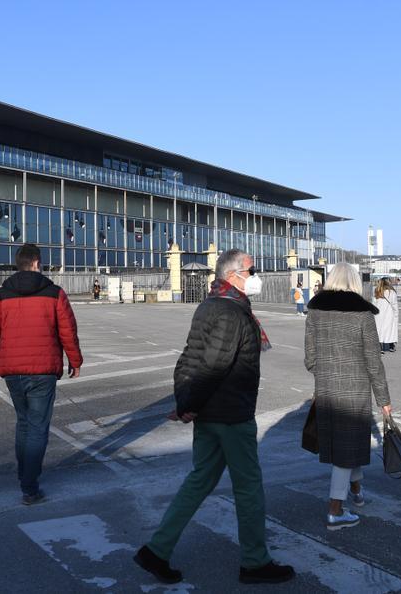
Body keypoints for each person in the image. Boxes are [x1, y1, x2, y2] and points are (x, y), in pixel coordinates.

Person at [134, 249, 294, 586]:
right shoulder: (231, 312)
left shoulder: (211, 304)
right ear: (233, 275)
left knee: (200, 480)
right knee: (248, 487)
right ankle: (254, 561)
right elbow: (213, 365)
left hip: (211, 412)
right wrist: (188, 404)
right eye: (251, 270)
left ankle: (156, 550)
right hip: (230, 414)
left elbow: (188, 359)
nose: (255, 276)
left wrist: (187, 400)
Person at [0, 243, 83, 505]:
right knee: (38, 427)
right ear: (37, 263)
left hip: (13, 372)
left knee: (24, 423)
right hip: (43, 371)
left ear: (19, 264)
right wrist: (75, 361)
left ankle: (23, 474)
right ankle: (29, 486)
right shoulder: (55, 293)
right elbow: (68, 332)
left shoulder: (1, 295)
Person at [305, 263, 392, 530]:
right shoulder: (363, 314)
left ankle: (356, 490)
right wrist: (384, 400)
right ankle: (335, 510)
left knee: (345, 446)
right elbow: (373, 363)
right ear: (355, 283)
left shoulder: (315, 312)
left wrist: (328, 374)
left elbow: (310, 360)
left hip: (327, 389)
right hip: (355, 391)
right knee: (345, 451)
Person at [373, 277, 399, 352]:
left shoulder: (377, 291)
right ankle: (391, 346)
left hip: (378, 314)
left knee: (380, 330)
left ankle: (380, 348)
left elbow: (374, 303)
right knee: (390, 330)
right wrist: (396, 314)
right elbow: (394, 305)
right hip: (389, 314)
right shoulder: (392, 292)